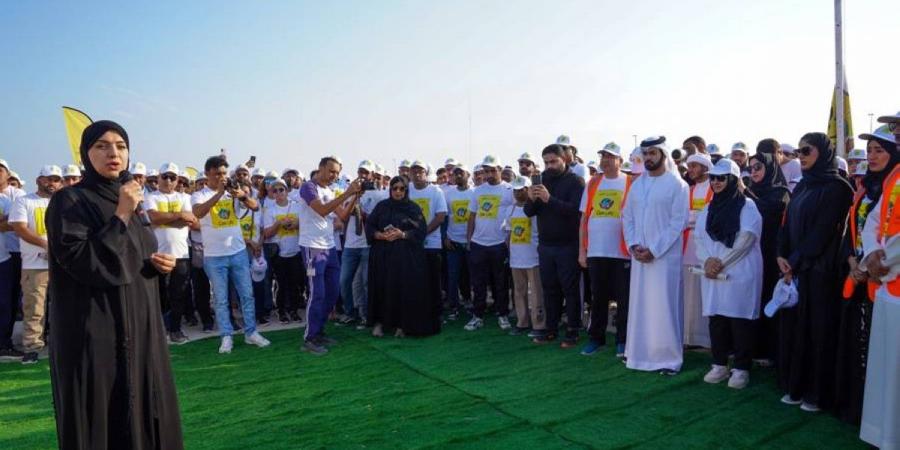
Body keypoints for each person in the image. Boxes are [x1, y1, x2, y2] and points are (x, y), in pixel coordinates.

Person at [44, 120, 184, 449]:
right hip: (94, 331)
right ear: (85, 154)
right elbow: (83, 261)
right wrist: (120, 214)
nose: (113, 153)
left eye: (121, 146)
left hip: (140, 327)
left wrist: (156, 266)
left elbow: (130, 256)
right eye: (102, 146)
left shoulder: (131, 201)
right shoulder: (69, 202)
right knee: (103, 419)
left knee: (145, 411)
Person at [776, 132, 853, 411]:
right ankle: (795, 385)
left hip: (821, 272)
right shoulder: (803, 186)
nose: (802, 155)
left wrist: (793, 261)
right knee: (797, 331)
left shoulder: (838, 188)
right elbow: (787, 224)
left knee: (818, 332)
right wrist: (781, 255)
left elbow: (822, 232)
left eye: (807, 150)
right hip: (796, 270)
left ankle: (816, 394)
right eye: (799, 151)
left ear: (823, 152)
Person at [833, 126, 898, 425]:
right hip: (859, 274)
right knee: (860, 345)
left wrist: (874, 263)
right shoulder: (865, 187)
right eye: (869, 150)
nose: (871, 156)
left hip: (883, 276)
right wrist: (853, 262)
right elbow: (856, 230)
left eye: (879, 150)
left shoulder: (890, 184)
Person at [622, 136, 690, 375]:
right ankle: (639, 355)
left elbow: (678, 222)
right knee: (641, 306)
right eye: (646, 154)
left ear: (663, 154)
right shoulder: (637, 185)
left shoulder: (677, 184)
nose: (648, 158)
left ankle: (669, 359)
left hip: (664, 258)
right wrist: (633, 245)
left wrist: (654, 249)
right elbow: (627, 217)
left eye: (653, 153)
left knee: (665, 306)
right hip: (639, 256)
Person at [694, 159, 764, 389]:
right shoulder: (708, 208)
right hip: (714, 272)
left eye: (721, 178)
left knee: (740, 319)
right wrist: (707, 262)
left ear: (733, 180)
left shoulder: (748, 206)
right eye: (713, 177)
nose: (715, 182)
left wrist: (720, 263)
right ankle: (719, 364)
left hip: (739, 271)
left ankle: (741, 368)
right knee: (717, 318)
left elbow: (746, 239)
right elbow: (699, 238)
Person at [192, 155, 270, 354]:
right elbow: (198, 213)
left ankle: (251, 333)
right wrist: (219, 193)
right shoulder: (199, 194)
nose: (222, 177)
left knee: (247, 294)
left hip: (237, 252)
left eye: (225, 173)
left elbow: (255, 206)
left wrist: (241, 195)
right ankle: (226, 336)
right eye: (218, 173)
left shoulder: (233, 192)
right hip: (214, 256)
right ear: (208, 173)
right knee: (221, 299)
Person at [857, 110, 900, 450]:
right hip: (887, 283)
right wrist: (872, 254)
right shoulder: (895, 176)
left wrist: (883, 262)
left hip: (890, 274)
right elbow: (874, 221)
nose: (896, 132)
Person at [297, 156, 361, 354]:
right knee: (317, 293)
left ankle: (319, 330)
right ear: (321, 168)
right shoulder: (308, 187)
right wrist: (347, 193)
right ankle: (309, 337)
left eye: (337, 173)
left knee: (333, 292)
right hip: (312, 248)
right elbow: (323, 210)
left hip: (330, 246)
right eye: (332, 171)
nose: (335, 176)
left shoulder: (331, 190)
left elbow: (342, 216)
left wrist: (355, 197)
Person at [524, 144, 586, 346]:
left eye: (553, 161)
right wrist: (532, 199)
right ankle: (551, 328)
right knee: (549, 288)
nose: (549, 165)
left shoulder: (575, 181)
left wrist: (550, 199)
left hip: (568, 245)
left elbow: (576, 212)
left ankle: (573, 329)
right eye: (546, 162)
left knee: (570, 289)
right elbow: (528, 212)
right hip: (546, 245)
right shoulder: (543, 180)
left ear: (564, 159)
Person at [578, 142, 632, 357]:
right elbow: (583, 218)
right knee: (597, 298)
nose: (606, 160)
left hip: (622, 252)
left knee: (623, 299)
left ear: (620, 160)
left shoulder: (629, 182)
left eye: (611, 157)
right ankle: (596, 338)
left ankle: (622, 340)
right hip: (596, 252)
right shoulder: (593, 183)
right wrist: (582, 250)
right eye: (603, 156)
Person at [366, 176, 436, 337]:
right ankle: (380, 323)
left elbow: (421, 230)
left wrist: (402, 234)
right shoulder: (382, 206)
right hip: (382, 257)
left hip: (405, 259)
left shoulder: (413, 208)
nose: (398, 191)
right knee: (381, 288)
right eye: (394, 188)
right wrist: (380, 235)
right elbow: (370, 225)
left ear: (406, 190)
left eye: (401, 188)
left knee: (402, 290)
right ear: (390, 190)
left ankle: (402, 325)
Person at [10, 165, 63, 364]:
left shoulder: (63, 202)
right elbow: (20, 229)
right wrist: (46, 246)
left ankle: (59, 342)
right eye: (49, 179)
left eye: (56, 179)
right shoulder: (24, 201)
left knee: (63, 305)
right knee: (35, 307)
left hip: (62, 264)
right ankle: (32, 347)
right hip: (35, 264)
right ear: (39, 180)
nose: (53, 183)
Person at [745, 151, 790, 365]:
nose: (753, 172)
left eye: (758, 167)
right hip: (751, 252)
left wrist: (745, 192)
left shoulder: (780, 191)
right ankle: (751, 348)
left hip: (772, 254)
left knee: (768, 298)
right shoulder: (750, 191)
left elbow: (769, 211)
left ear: (770, 168)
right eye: (750, 168)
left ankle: (769, 351)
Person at [146, 162, 199, 345]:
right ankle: (160, 331)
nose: (168, 180)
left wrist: (165, 219)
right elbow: (154, 217)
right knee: (161, 296)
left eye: (172, 177)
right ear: (158, 178)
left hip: (181, 254)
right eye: (165, 176)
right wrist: (178, 216)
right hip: (159, 255)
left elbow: (190, 221)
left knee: (178, 295)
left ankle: (175, 329)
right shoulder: (151, 197)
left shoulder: (184, 197)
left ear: (177, 181)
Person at [338, 160, 383, 325]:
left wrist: (364, 215)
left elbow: (380, 220)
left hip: (367, 245)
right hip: (350, 244)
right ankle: (350, 312)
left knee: (366, 282)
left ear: (372, 175)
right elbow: (342, 217)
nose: (363, 175)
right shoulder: (348, 192)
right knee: (344, 281)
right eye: (360, 172)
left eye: (366, 172)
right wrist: (352, 200)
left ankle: (367, 316)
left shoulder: (378, 195)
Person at [408, 161, 448, 325]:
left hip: (432, 244)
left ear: (426, 173)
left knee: (433, 281)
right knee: (414, 280)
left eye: (421, 171)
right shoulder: (406, 190)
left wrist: (422, 233)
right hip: (411, 244)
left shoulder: (436, 191)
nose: (417, 174)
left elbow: (440, 216)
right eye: (414, 171)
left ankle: (436, 313)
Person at [262, 179, 304, 325]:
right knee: (281, 284)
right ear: (272, 193)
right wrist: (279, 223)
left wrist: (295, 223)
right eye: (275, 190)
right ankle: (281, 311)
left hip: (296, 251)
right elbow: (266, 233)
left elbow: (305, 224)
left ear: (287, 191)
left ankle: (293, 310)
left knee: (295, 283)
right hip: (279, 253)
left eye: (281, 189)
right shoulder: (270, 210)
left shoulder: (297, 207)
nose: (279, 193)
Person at [506, 176, 544, 336]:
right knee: (519, 291)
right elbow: (508, 232)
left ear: (528, 190)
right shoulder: (511, 209)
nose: (518, 193)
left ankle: (539, 324)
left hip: (533, 257)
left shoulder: (536, 209)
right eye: (515, 190)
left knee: (536, 292)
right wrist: (509, 251)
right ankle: (522, 322)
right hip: (516, 258)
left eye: (521, 189)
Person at [683, 153, 714, 349]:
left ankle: (707, 338)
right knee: (689, 293)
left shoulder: (715, 188)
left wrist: (696, 217)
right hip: (688, 247)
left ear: (705, 167)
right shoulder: (689, 190)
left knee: (706, 294)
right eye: (690, 166)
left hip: (708, 248)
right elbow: (683, 217)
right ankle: (689, 337)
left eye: (695, 166)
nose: (691, 170)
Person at [444, 164, 474, 319]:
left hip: (470, 242)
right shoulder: (448, 194)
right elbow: (444, 217)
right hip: (453, 240)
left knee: (470, 275)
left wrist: (472, 239)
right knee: (452, 275)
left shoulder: (474, 193)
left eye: (461, 173)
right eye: (455, 174)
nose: (458, 176)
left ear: (468, 175)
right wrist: (446, 237)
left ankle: (470, 302)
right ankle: (453, 306)